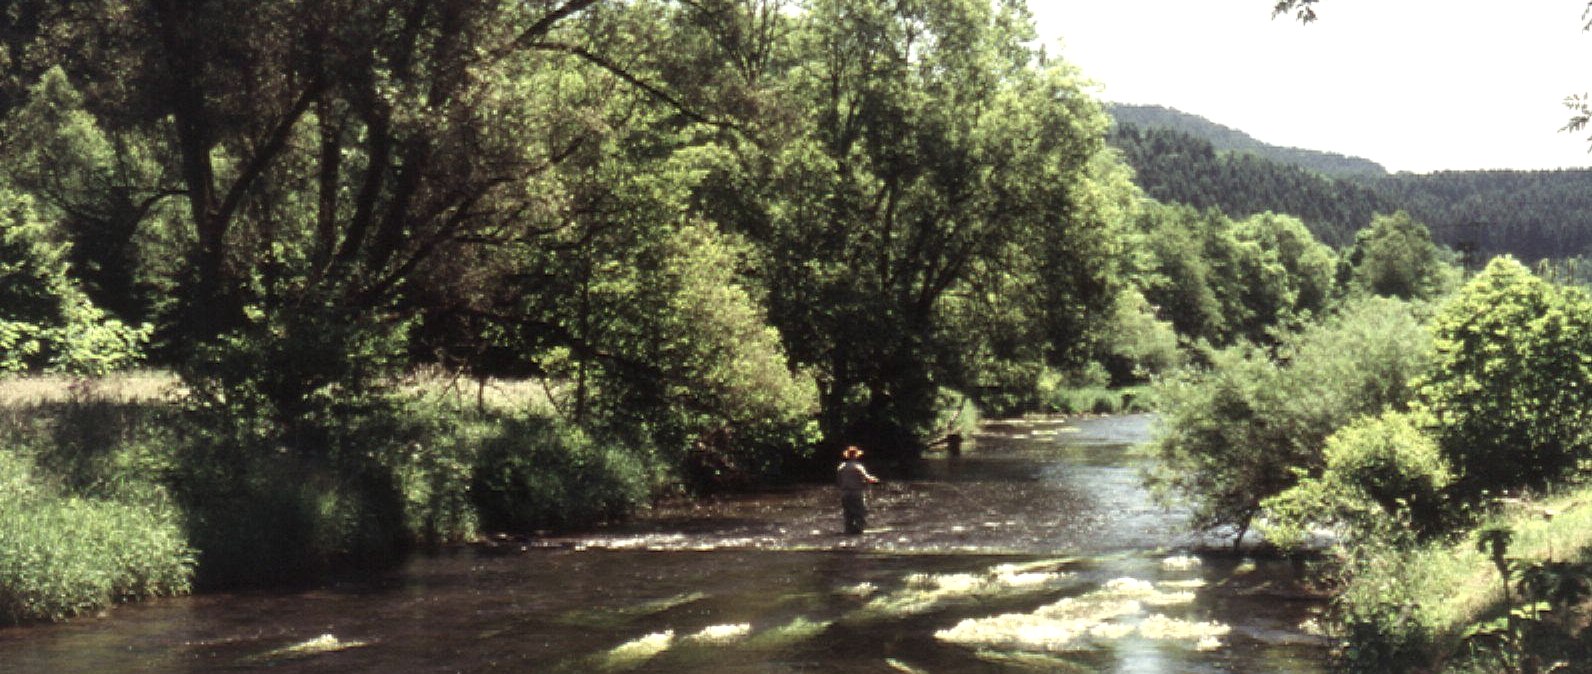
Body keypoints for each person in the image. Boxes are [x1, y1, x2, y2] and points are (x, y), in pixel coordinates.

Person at [836, 445, 880, 534]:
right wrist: (875, 480)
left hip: (845, 494)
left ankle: (848, 531)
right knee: (860, 513)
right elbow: (867, 478)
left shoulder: (841, 467)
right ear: (856, 455)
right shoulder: (858, 467)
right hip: (856, 493)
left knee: (848, 514)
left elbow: (839, 482)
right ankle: (859, 531)